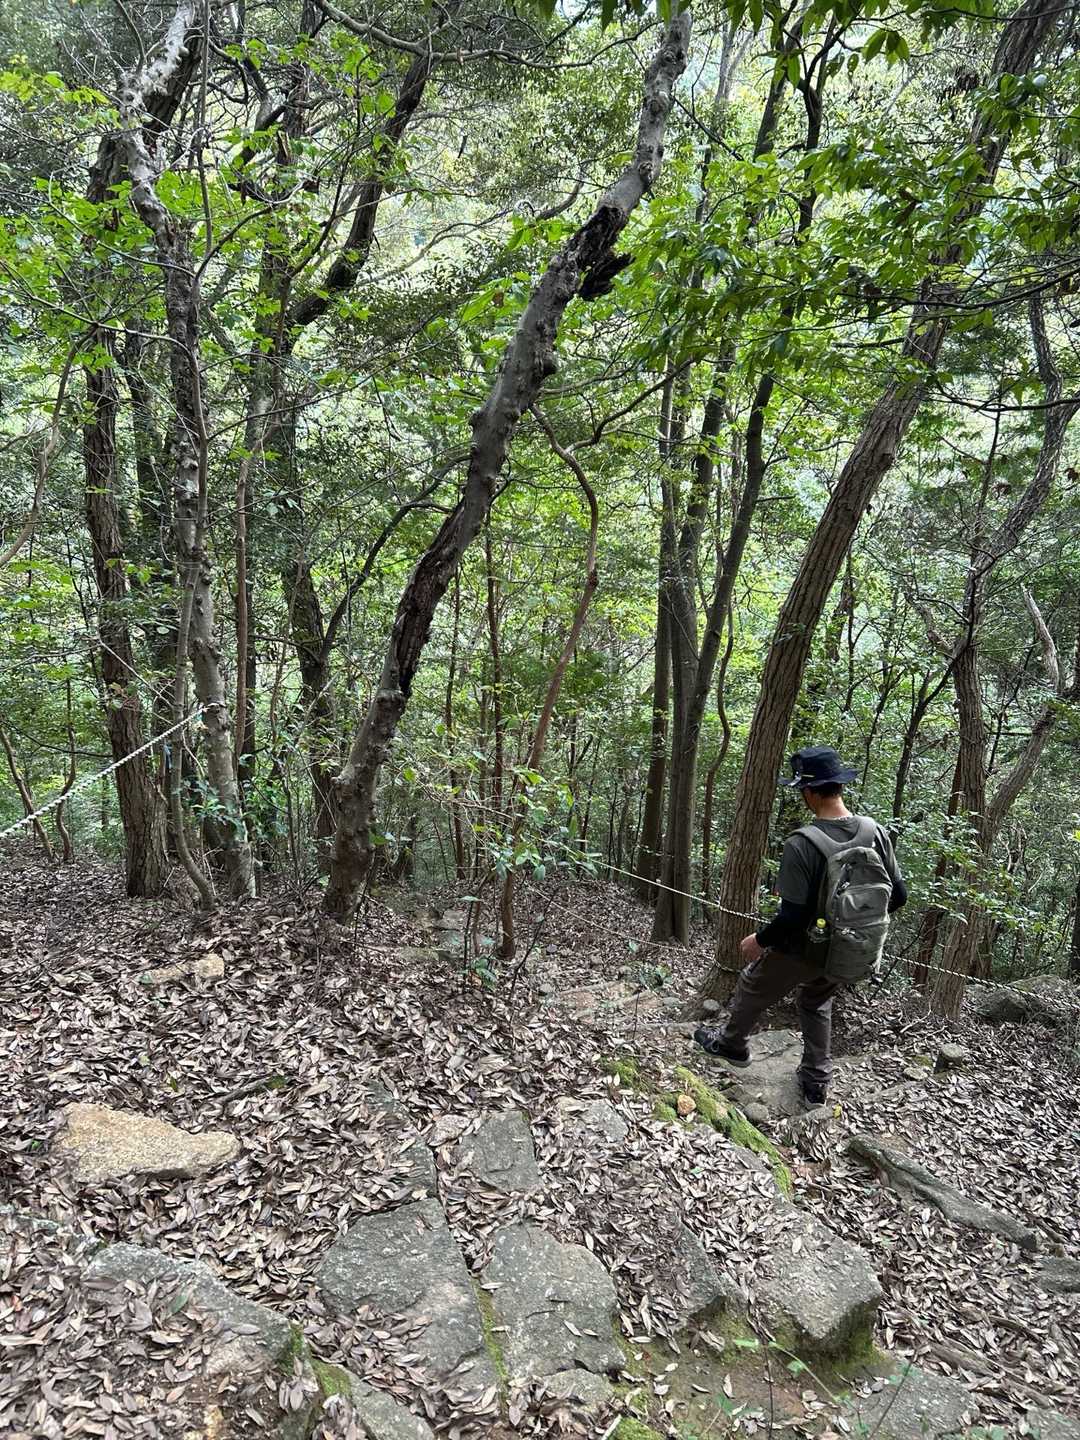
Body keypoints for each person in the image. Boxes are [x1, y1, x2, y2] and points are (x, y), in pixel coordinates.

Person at [694, 745, 907, 1108]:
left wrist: (759, 940)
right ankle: (815, 1083)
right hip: (852, 949)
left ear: (809, 792)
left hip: (805, 948)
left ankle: (732, 1045)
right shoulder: (875, 832)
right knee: (816, 1001)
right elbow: (898, 896)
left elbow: (792, 916)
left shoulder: (802, 843)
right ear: (839, 786)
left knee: (752, 983)